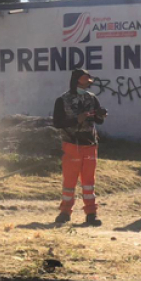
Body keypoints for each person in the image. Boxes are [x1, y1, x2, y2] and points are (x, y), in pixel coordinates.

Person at [52, 69, 108, 227]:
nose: (89, 84)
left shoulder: (92, 98)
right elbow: (57, 123)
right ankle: (64, 213)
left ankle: (91, 214)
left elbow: (99, 121)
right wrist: (77, 119)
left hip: (90, 144)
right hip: (71, 144)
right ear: (77, 80)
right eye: (86, 80)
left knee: (89, 183)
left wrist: (100, 115)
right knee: (69, 182)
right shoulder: (62, 100)